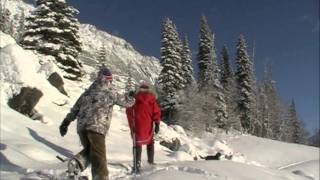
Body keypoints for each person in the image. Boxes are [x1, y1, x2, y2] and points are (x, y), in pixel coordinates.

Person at [59, 67, 135, 180]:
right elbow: (127, 103)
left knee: (92, 152)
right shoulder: (111, 92)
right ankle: (99, 177)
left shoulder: (87, 93)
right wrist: (132, 96)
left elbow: (75, 109)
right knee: (99, 157)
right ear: (109, 80)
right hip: (96, 128)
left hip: (82, 129)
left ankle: (77, 165)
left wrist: (65, 122)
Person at [126, 81, 161, 174]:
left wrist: (131, 124)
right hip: (148, 125)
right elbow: (156, 112)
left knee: (137, 144)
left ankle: (137, 165)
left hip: (137, 125)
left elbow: (129, 109)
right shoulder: (152, 100)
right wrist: (157, 123)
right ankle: (150, 162)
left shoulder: (135, 99)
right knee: (150, 143)